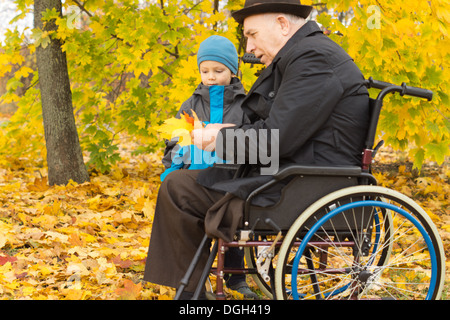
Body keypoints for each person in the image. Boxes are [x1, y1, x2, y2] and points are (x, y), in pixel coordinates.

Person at [143, 0, 370, 299]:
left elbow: (275, 140)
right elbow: (281, 128)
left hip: (303, 186)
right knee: (182, 182)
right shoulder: (305, 57)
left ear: (281, 24)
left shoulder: (313, 60)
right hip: (293, 175)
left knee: (178, 188)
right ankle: (193, 290)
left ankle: (192, 296)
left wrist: (217, 140)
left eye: (252, 34)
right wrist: (224, 132)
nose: (248, 46)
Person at [156, 35, 258, 299]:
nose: (210, 77)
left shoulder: (244, 105)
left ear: (233, 71)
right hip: (196, 173)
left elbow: (252, 138)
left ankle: (236, 279)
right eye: (205, 71)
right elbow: (176, 138)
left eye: (218, 70)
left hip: (230, 175)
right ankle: (197, 280)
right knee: (194, 225)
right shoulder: (191, 104)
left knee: (228, 227)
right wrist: (173, 164)